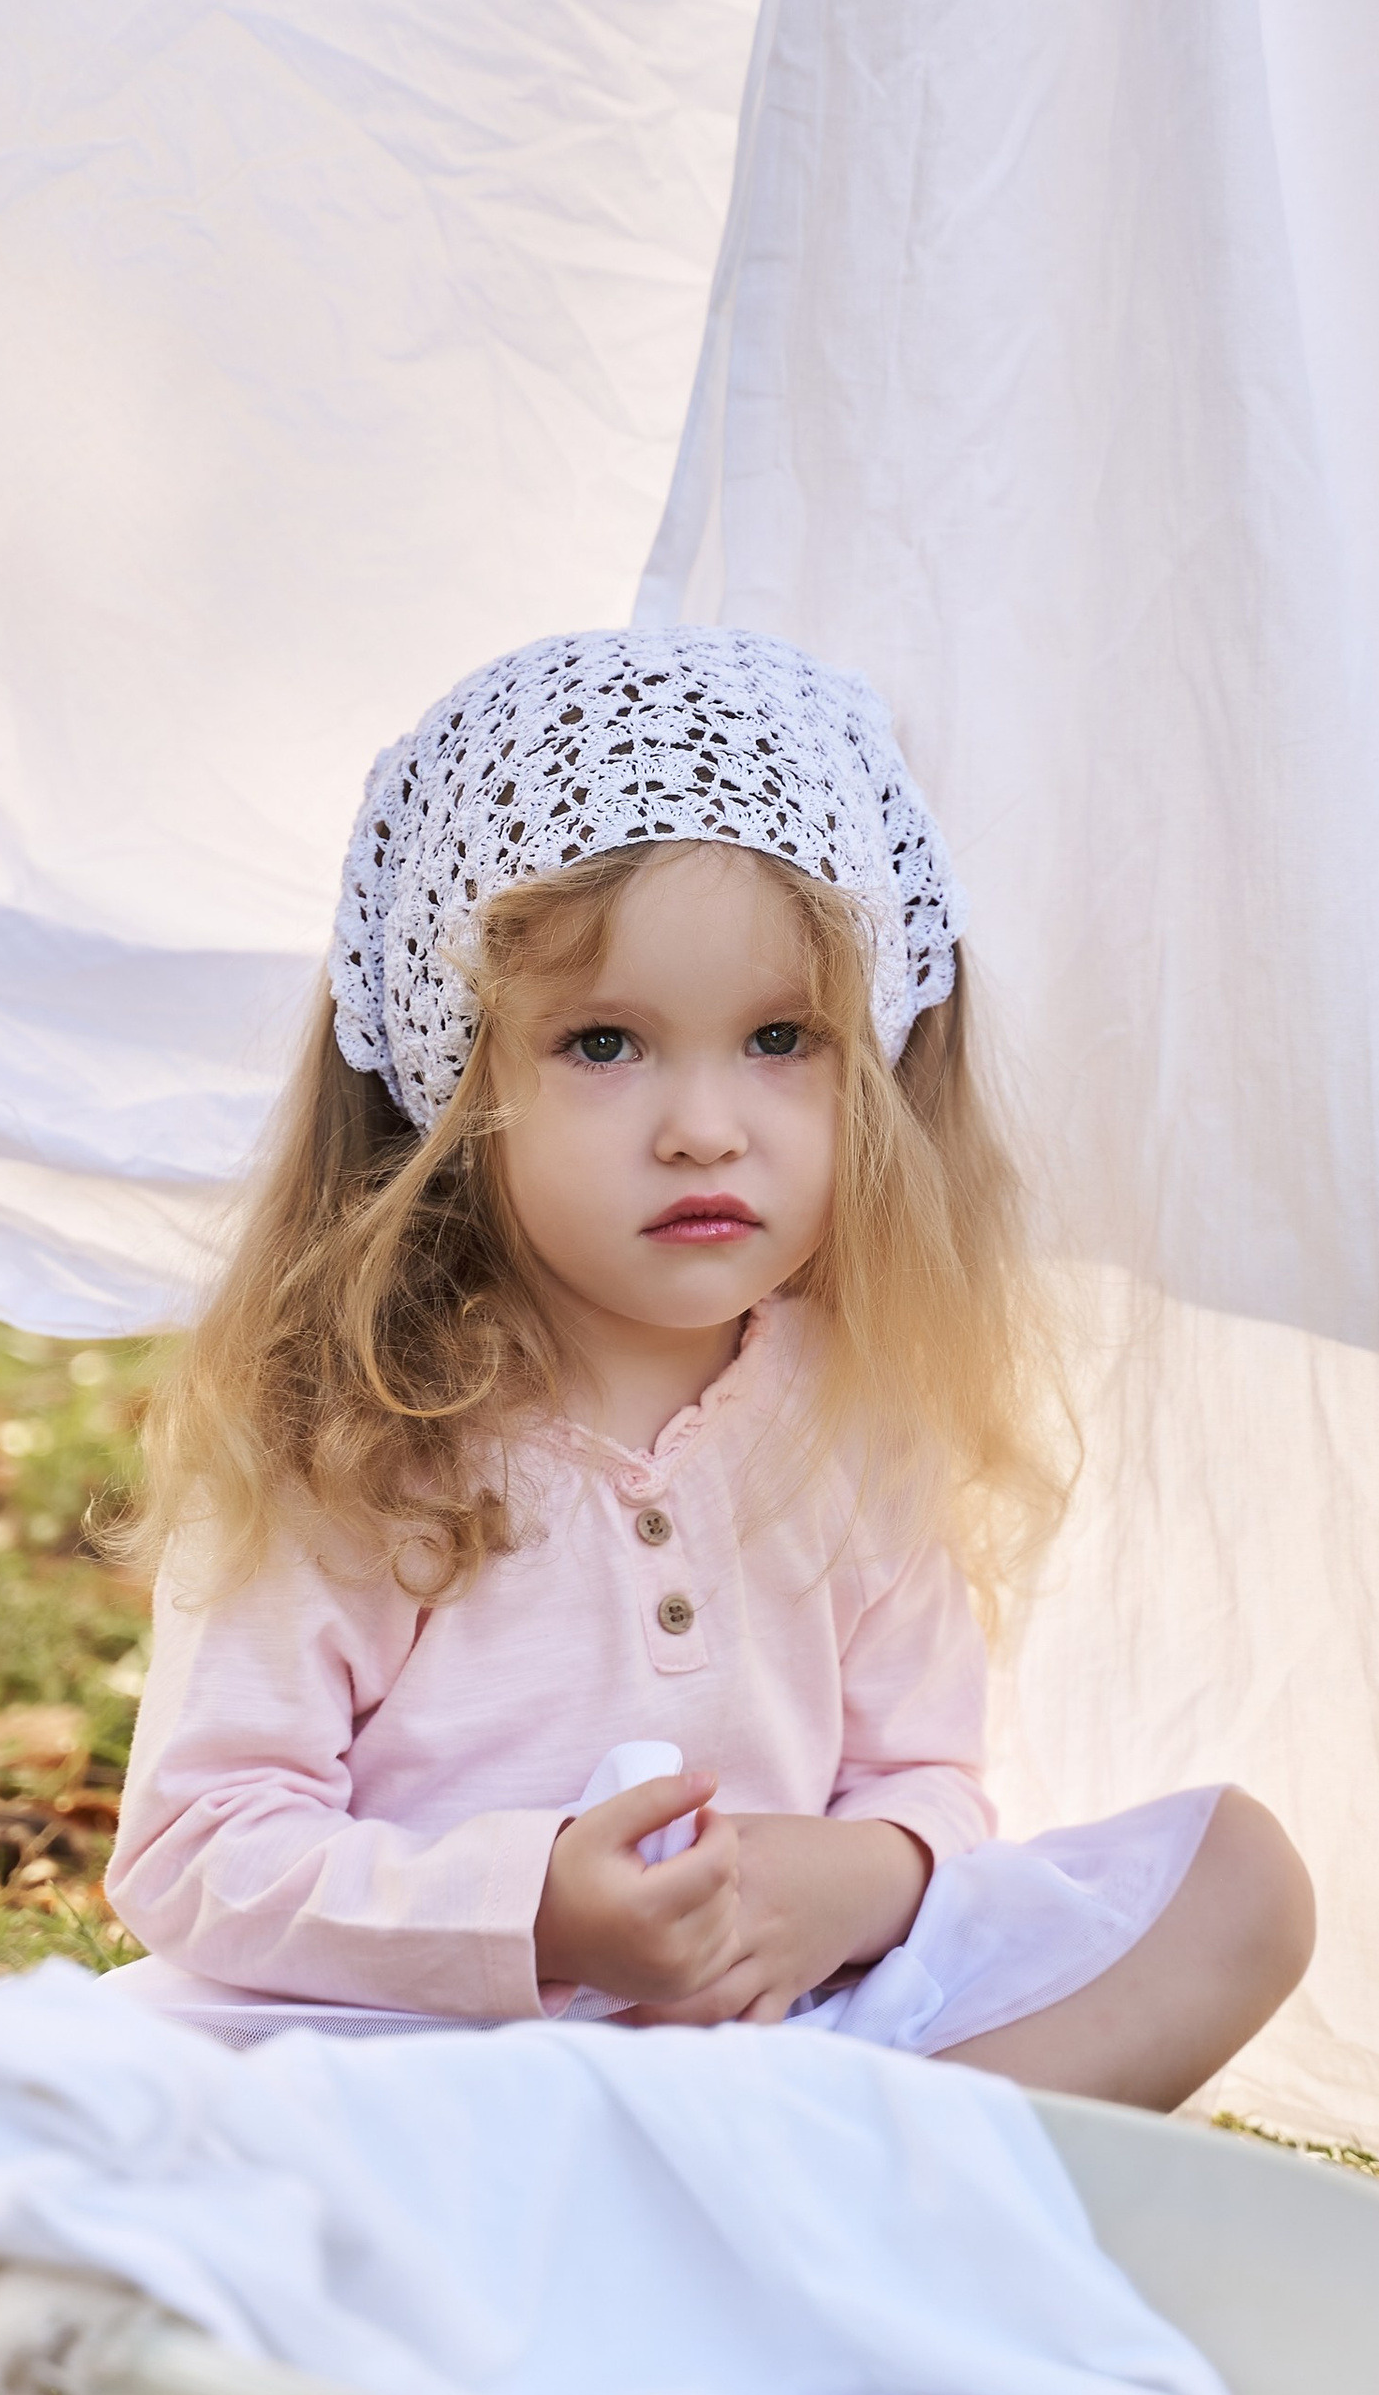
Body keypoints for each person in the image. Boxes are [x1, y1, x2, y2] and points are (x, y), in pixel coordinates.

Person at [105, 627, 1312, 2105]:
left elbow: (926, 1779)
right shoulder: (364, 1426)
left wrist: (861, 1879)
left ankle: (822, 2192)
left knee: (1238, 1882)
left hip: (776, 2057)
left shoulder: (855, 1412)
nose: (704, 1127)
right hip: (430, 2072)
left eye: (780, 1038)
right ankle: (793, 2208)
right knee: (130, 2099)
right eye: (605, 1045)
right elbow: (199, 1846)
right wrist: (534, 1913)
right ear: (456, 1078)